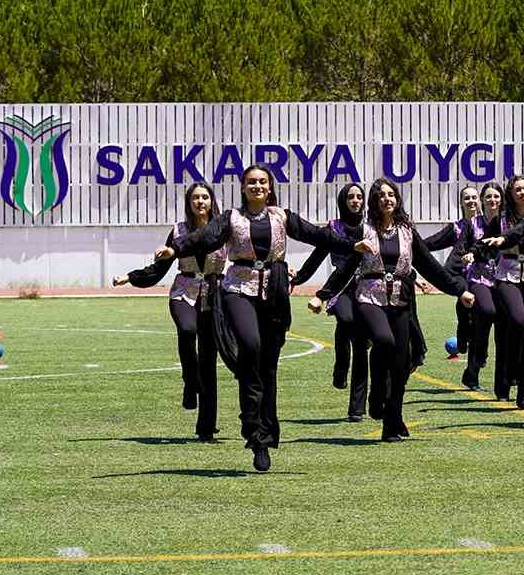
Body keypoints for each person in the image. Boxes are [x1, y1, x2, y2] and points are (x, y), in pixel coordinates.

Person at [158, 164, 356, 472]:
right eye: (251, 182)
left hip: (275, 289)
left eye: (262, 181)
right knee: (249, 347)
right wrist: (175, 248)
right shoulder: (231, 218)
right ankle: (251, 426)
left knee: (268, 365)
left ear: (270, 186)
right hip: (239, 287)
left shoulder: (281, 216)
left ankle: (264, 438)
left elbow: (318, 235)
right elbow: (206, 238)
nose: (257, 186)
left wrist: (351, 244)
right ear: (242, 187)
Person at [309, 178, 476, 441]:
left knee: (400, 362)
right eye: (381, 196)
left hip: (400, 300)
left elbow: (431, 266)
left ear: (397, 199)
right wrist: (322, 295)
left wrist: (459, 290)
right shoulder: (363, 231)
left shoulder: (407, 232)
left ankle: (392, 421)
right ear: (374, 202)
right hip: (369, 297)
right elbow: (347, 266)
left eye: (391, 195)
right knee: (383, 341)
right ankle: (377, 395)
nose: (387, 199)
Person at [113, 182, 227, 440]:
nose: (200, 202)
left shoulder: (222, 229)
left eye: (205, 197)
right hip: (184, 291)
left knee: (209, 358)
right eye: (195, 198)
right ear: (189, 203)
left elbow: (245, 251)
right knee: (187, 330)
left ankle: (206, 427)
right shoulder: (178, 231)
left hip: (214, 294)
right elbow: (160, 267)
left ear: (212, 201)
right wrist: (131, 277)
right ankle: (190, 381)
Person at [289, 183, 372, 422]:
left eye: (359, 197)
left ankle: (357, 409)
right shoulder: (333, 228)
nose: (356, 201)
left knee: (359, 343)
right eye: (351, 197)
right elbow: (318, 255)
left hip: (367, 288)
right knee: (345, 320)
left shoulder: (370, 227)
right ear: (343, 200)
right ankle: (340, 365)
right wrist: (300, 278)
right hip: (341, 287)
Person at [422, 183, 505, 390]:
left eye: (474, 197)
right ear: (461, 203)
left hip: (497, 278)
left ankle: (483, 363)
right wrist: (410, 246)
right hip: (467, 281)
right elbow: (433, 245)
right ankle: (469, 347)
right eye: (466, 198)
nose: (471, 201)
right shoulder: (460, 227)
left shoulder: (501, 224)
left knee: (492, 325)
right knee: (473, 319)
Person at [490, 175, 524, 409]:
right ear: (511, 193)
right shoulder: (501, 218)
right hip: (505, 276)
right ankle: (505, 379)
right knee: (517, 323)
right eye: (518, 189)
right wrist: (474, 253)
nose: (522, 193)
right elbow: (483, 243)